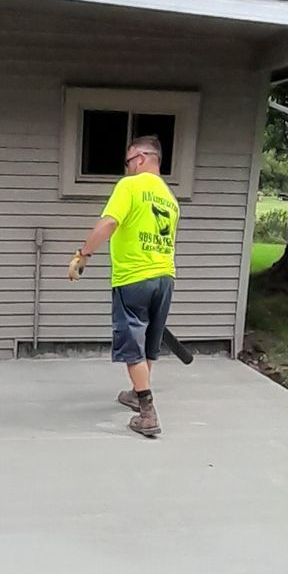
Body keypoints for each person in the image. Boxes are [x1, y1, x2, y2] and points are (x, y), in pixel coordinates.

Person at [68, 134, 179, 439]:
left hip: (134, 278)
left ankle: (147, 412)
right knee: (149, 344)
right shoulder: (169, 198)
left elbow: (108, 223)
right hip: (164, 278)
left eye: (129, 162)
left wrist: (83, 255)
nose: (127, 168)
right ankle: (136, 392)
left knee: (132, 344)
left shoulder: (129, 186)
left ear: (141, 159)